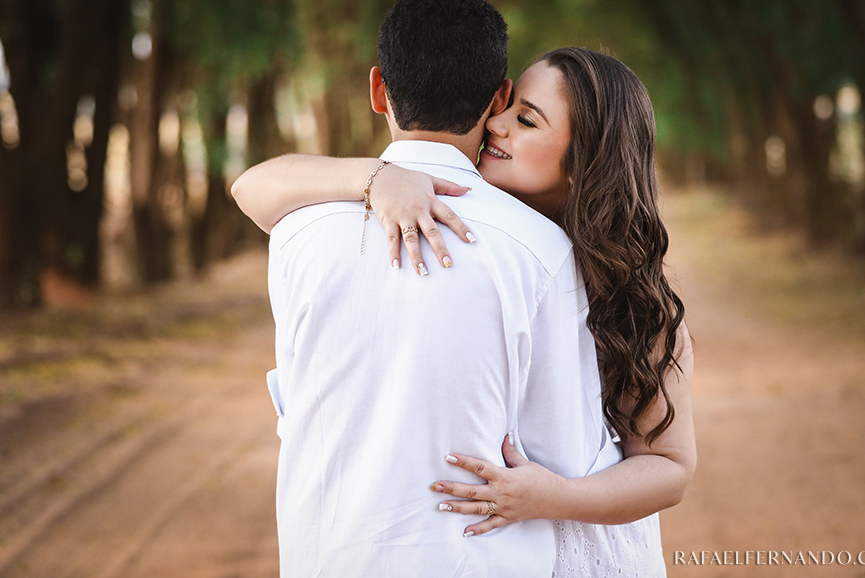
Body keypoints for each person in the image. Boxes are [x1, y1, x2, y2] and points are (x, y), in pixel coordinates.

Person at [234, 45, 696, 576]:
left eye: (525, 120)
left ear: (586, 162)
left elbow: (670, 467)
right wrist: (378, 177)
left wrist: (557, 497)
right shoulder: (465, 225)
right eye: (505, 107)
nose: (494, 125)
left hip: (581, 545)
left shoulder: (632, 300)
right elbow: (252, 185)